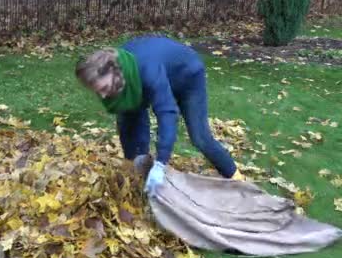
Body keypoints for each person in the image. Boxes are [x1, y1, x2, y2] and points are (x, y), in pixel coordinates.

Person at [75, 35, 244, 197]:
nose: (103, 96)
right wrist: (132, 160)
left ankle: (238, 180)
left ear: (115, 72)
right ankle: (140, 174)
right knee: (129, 116)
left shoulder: (147, 70)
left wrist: (161, 163)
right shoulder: (118, 76)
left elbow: (167, 113)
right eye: (98, 91)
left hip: (188, 77)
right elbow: (128, 120)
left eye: (104, 88)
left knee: (200, 137)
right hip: (152, 75)